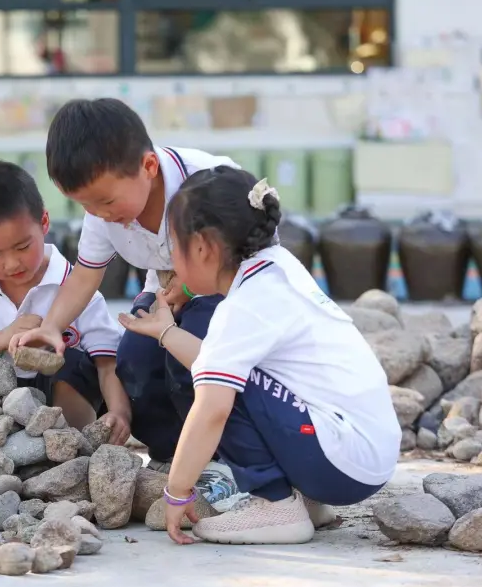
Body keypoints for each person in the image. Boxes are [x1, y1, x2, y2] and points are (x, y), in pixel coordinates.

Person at [118, 167, 400, 545]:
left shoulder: (244, 304)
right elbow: (212, 360)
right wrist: (167, 333)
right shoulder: (277, 268)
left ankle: (275, 505)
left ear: (202, 247)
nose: (170, 264)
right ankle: (305, 500)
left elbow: (213, 406)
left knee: (223, 388)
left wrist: (177, 490)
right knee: (226, 375)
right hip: (360, 456)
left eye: (173, 247)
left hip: (340, 463)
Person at [10, 97, 236, 459]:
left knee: (188, 358)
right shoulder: (102, 213)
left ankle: (224, 458)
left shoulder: (209, 182)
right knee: (134, 360)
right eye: (85, 205)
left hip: (228, 292)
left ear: (148, 166)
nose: (99, 214)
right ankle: (171, 456)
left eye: (106, 201)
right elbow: (86, 275)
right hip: (163, 291)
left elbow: (250, 255)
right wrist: (52, 325)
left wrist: (194, 285)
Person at [0, 161, 125, 433]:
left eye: (22, 247)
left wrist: (119, 412)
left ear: (44, 222)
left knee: (75, 367)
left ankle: (71, 444)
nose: (11, 264)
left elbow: (107, 360)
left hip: (52, 397)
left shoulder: (74, 283)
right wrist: (0, 339)